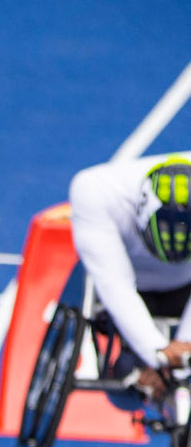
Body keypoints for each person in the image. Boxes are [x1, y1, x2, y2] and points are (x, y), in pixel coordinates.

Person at [69, 153, 191, 391]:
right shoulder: (96, 190)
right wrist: (156, 353)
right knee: (126, 372)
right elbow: (115, 284)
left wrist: (183, 350)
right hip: (134, 285)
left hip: (186, 286)